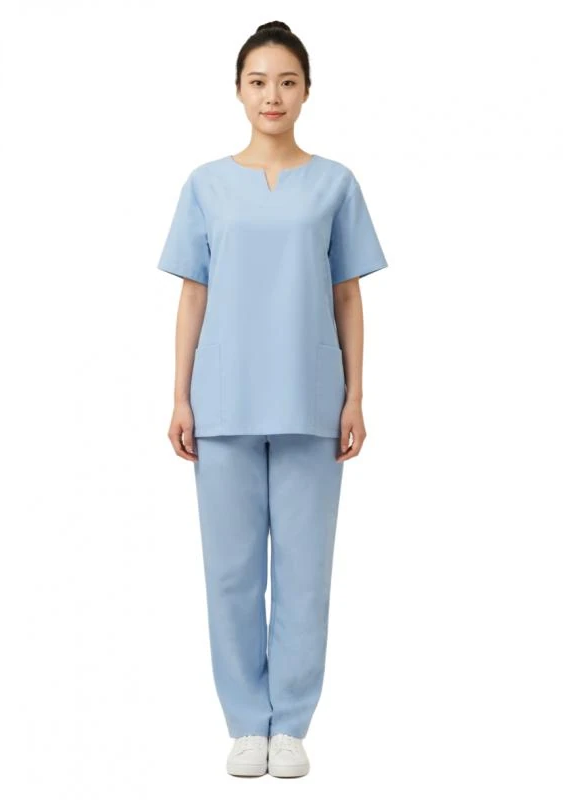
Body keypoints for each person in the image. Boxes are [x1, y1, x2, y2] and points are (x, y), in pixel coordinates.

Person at [157, 20, 388, 779]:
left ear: (307, 90)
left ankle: (289, 723)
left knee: (303, 571)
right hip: (222, 400)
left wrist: (355, 396)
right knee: (230, 573)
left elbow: (347, 295)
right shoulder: (205, 185)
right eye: (258, 81)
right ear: (238, 90)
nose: (272, 95)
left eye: (287, 81)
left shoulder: (335, 184)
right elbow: (193, 295)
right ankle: (243, 724)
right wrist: (179, 396)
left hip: (310, 401)